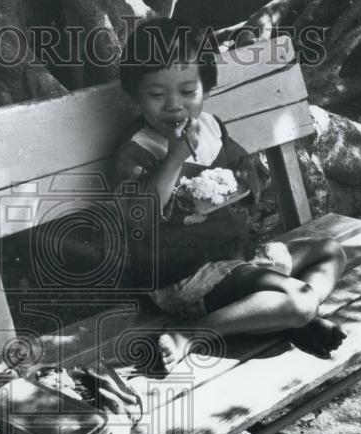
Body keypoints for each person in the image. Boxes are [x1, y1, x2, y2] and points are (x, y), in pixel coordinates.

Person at [113, 18, 348, 372]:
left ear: (206, 90)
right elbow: (139, 217)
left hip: (236, 256)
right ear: (135, 94)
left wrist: (240, 184)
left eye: (188, 92)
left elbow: (245, 170)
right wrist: (175, 158)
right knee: (301, 302)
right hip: (185, 277)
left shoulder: (211, 127)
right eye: (157, 95)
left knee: (330, 251)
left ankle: (280, 317)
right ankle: (192, 334)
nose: (174, 106)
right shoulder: (137, 151)